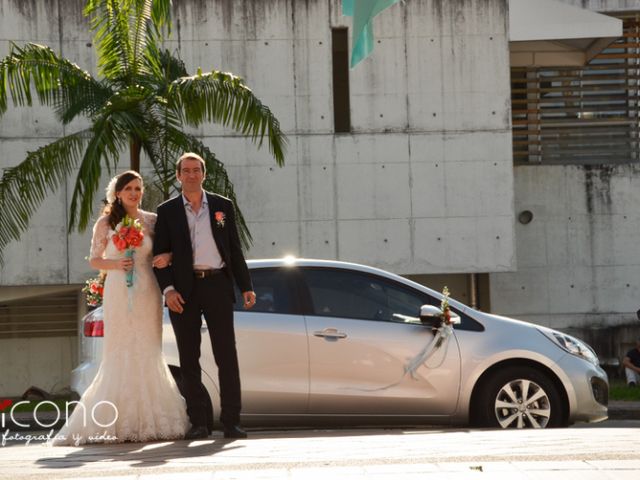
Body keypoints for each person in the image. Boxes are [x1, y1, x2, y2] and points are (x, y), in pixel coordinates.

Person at [53, 171, 190, 445]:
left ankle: (151, 419)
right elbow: (95, 260)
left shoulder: (152, 220)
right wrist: (116, 264)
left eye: (138, 188)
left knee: (148, 349)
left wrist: (167, 257)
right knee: (120, 350)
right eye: (128, 188)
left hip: (148, 291)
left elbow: (167, 250)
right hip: (118, 289)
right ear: (117, 192)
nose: (134, 193)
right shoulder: (106, 222)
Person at [153, 152, 256, 440]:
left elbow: (234, 249)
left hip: (218, 286)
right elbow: (159, 257)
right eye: (185, 171)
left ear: (204, 174)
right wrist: (168, 290)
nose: (191, 175)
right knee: (189, 358)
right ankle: (199, 422)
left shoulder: (223, 206)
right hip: (183, 292)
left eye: (196, 170)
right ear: (178, 176)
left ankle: (232, 421)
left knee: (227, 355)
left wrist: (245, 285)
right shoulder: (168, 211)